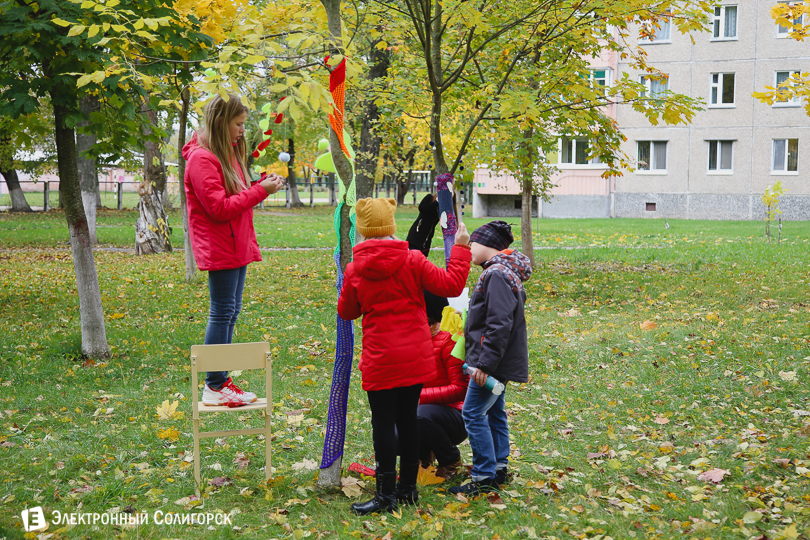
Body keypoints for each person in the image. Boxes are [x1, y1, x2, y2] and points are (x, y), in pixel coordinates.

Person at [337, 198, 471, 515]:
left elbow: (348, 311)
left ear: (365, 230)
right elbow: (452, 283)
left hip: (380, 359)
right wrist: (462, 248)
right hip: (414, 356)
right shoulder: (412, 260)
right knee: (408, 420)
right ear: (391, 225)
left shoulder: (356, 268)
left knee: (382, 424)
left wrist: (348, 283)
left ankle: (386, 495)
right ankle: (408, 490)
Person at [183, 93, 284, 407]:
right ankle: (214, 384)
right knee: (222, 311)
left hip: (235, 243)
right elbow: (218, 208)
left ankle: (221, 381)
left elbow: (237, 193)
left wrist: (261, 184)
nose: (242, 130)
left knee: (230, 312)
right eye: (238, 124)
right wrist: (259, 192)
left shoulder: (226, 154)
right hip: (221, 246)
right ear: (220, 122)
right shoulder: (202, 159)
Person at [448, 221, 532, 496]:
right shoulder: (503, 272)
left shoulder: (496, 274)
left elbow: (499, 324)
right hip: (499, 360)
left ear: (490, 245)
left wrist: (484, 365)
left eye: (473, 243)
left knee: (472, 413)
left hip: (492, 361)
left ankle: (484, 475)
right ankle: (498, 467)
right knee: (495, 411)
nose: (470, 248)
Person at [414, 291, 469, 479]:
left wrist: (417, 396)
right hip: (422, 411)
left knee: (418, 415)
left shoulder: (448, 339)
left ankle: (450, 459)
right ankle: (423, 458)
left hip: (454, 415)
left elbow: (461, 389)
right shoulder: (409, 340)